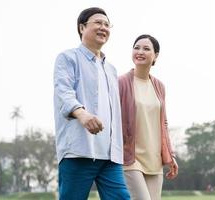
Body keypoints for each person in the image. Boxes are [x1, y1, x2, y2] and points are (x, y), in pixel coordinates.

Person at [53, 7, 130, 200]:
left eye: (107, 24)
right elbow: (64, 92)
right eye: (98, 23)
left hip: (110, 156)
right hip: (79, 151)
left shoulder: (111, 69)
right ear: (82, 27)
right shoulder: (68, 58)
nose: (103, 27)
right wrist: (82, 114)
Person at [118, 34, 179, 200]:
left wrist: (170, 155)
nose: (140, 51)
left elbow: (163, 123)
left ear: (155, 56)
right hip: (130, 157)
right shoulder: (121, 83)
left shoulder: (159, 86)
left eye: (146, 48)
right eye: (136, 47)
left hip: (154, 159)